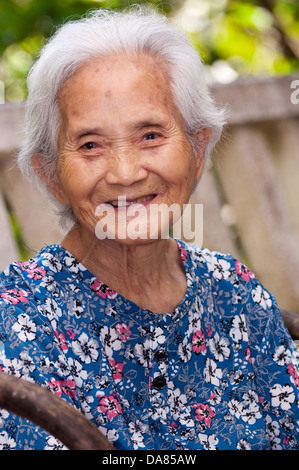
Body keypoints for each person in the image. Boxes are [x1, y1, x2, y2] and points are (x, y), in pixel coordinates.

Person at [0, 7, 298, 451]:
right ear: (50, 174)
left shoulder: (234, 292)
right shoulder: (17, 321)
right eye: (90, 145)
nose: (123, 173)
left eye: (150, 136)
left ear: (198, 149)